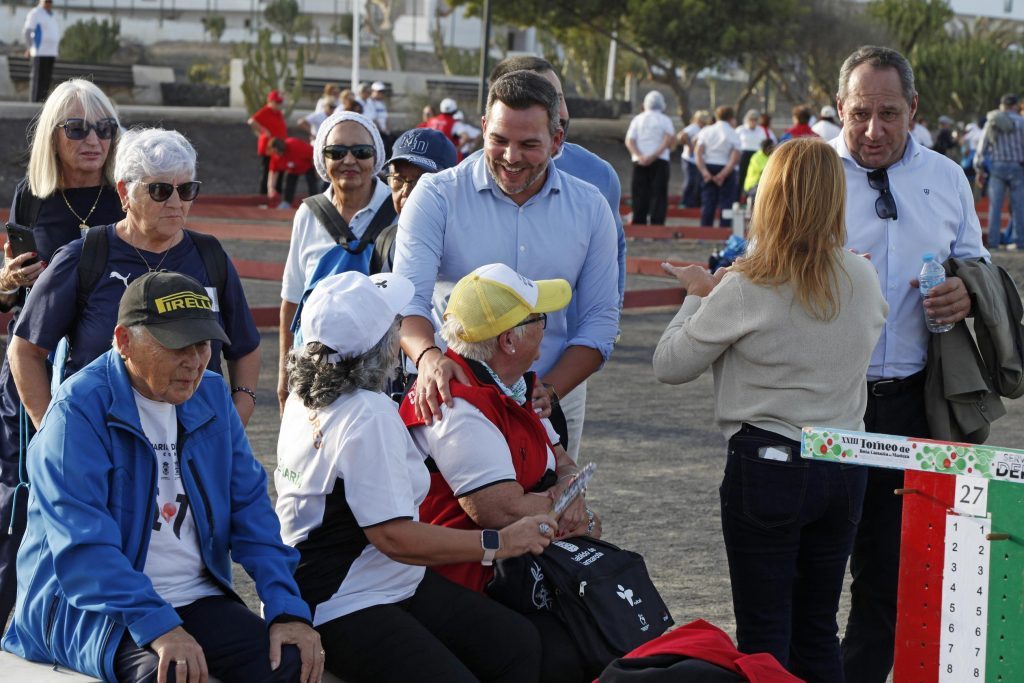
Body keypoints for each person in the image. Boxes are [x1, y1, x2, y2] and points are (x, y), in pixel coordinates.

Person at [2, 271, 323, 683]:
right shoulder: (76, 412)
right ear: (124, 342)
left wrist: (287, 608)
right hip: (88, 611)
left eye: (203, 344)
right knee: (170, 675)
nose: (194, 360)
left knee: (292, 662)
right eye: (177, 346)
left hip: (194, 598)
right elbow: (84, 550)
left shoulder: (209, 396)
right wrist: (158, 626)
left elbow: (251, 513)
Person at [653, 138, 888, 683]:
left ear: (770, 199)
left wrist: (696, 293)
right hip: (844, 463)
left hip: (768, 463)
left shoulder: (745, 285)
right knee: (818, 629)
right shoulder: (862, 276)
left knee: (764, 636)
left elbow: (670, 364)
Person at [275, 269, 554, 683]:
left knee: (517, 642)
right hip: (344, 599)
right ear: (382, 344)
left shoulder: (304, 394)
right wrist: (499, 542)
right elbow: (393, 537)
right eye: (395, 324)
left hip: (376, 581)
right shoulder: (367, 413)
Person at [829, 45, 988, 683]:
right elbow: (762, 271)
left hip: (909, 402)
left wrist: (966, 291)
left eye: (888, 114)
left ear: (914, 109)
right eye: (859, 113)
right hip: (823, 403)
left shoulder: (947, 177)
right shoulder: (809, 172)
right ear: (838, 108)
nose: (873, 130)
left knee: (889, 571)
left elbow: (973, 263)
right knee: (810, 565)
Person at [392, 69, 619, 465]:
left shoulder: (590, 206)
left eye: (529, 144)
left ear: (557, 139)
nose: (511, 157)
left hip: (545, 401)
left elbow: (601, 319)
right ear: (482, 128)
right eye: (498, 140)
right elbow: (405, 300)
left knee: (544, 519)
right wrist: (429, 359)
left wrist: (548, 390)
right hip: (449, 399)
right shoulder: (436, 195)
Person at [401, 263, 603, 682]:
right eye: (539, 319)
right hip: (470, 577)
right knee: (568, 649)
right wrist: (569, 510)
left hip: (519, 565)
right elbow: (499, 510)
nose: (548, 327)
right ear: (509, 340)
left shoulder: (519, 385)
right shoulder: (457, 407)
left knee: (603, 625)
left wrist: (569, 492)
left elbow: (561, 460)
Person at [8, 127, 262, 436]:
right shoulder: (84, 257)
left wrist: (237, 416)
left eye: (187, 190)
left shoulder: (210, 255)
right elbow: (24, 351)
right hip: (104, 444)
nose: (175, 202)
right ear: (125, 192)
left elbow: (245, 346)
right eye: (160, 190)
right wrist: (53, 434)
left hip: (195, 442)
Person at [0, 78, 125, 629]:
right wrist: (4, 285)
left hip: (111, 376)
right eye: (76, 128)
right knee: (22, 502)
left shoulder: (132, 191)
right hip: (37, 374)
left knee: (108, 500)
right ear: (52, 137)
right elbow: (14, 294)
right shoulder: (31, 197)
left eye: (104, 128)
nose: (92, 140)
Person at [277, 111, 397, 412]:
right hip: (314, 371)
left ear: (376, 157)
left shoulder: (399, 210)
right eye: (336, 152)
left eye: (361, 152)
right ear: (322, 158)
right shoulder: (308, 214)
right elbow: (292, 299)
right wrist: (284, 371)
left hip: (381, 373)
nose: (349, 160)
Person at [488, 55, 626, 311]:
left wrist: (605, 331)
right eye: (543, 100)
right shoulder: (457, 188)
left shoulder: (599, 175)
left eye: (559, 98)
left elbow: (615, 255)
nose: (559, 113)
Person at [375, 127, 459, 272]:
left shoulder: (469, 251)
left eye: (422, 182)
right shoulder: (386, 240)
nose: (406, 191)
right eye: (397, 179)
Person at [974, 93, 1024, 251]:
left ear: (1002, 105)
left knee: (995, 206)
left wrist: (979, 169)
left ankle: (994, 242)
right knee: (1019, 206)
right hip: (1017, 167)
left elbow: (982, 147)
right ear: (1015, 105)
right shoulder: (1022, 122)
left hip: (997, 167)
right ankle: (1019, 242)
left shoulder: (993, 121)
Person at [625, 91, 675, 225]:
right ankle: (657, 224)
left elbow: (629, 140)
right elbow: (668, 139)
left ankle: (639, 224)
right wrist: (653, 156)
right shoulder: (665, 120)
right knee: (658, 194)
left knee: (639, 193)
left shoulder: (638, 119)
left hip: (639, 161)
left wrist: (640, 156)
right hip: (660, 161)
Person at [695, 106, 741, 228]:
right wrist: (723, 174)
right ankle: (724, 231)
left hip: (709, 166)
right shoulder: (733, 133)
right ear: (731, 118)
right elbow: (735, 157)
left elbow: (698, 152)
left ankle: (705, 232)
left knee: (708, 201)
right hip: (726, 168)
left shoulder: (706, 131)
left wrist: (704, 172)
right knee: (726, 202)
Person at [248, 89, 288, 197]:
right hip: (269, 149)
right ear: (270, 101)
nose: (278, 105)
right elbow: (251, 121)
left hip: (279, 147)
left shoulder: (278, 113)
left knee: (279, 172)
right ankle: (264, 196)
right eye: (276, 102)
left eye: (279, 102)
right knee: (267, 173)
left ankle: (276, 195)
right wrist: (263, 131)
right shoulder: (266, 111)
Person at [22, 0, 60, 103]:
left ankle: (42, 103)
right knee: (37, 79)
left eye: (50, 1)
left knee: (46, 80)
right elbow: (27, 31)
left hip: (51, 52)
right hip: (40, 51)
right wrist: (29, 47)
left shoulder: (51, 15)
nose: (49, 3)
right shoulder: (35, 13)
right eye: (47, 1)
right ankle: (34, 103)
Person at [268, 137, 320, 209]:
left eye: (279, 153)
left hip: (308, 165)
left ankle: (316, 203)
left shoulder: (296, 146)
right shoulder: (275, 156)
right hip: (292, 169)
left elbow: (313, 156)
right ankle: (287, 202)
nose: (277, 155)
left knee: (312, 183)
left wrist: (317, 171)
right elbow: (273, 172)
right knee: (289, 183)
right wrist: (271, 187)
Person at [677, 110, 711, 209]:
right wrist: (690, 146)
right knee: (690, 180)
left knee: (698, 182)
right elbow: (682, 135)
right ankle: (685, 201)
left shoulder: (705, 129)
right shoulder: (693, 127)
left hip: (698, 160)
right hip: (689, 159)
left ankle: (694, 202)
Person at [735, 109, 769, 202]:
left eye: (755, 119)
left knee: (755, 178)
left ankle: (751, 198)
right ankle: (737, 199)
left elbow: (764, 142)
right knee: (741, 177)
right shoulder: (740, 130)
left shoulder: (761, 130)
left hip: (756, 157)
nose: (753, 121)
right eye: (751, 119)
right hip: (744, 155)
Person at [742, 138, 776, 204]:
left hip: (764, 183)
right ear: (767, 148)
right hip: (752, 185)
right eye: (772, 147)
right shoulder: (756, 157)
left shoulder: (770, 156)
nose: (774, 149)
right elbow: (764, 171)